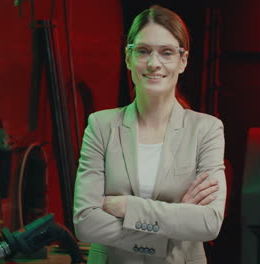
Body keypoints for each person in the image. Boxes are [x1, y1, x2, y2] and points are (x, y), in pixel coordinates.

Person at [73, 5, 226, 264]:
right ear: (128, 58)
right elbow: (86, 222)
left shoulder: (206, 130)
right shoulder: (101, 126)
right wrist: (176, 219)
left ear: (183, 60)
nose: (154, 64)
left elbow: (208, 222)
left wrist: (127, 207)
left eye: (166, 52)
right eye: (143, 51)